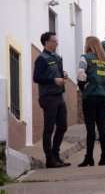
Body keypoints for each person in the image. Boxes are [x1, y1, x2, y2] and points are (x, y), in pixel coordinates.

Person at [77, 36, 105, 167]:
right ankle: (104, 158)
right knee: (102, 128)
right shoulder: (104, 61)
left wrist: (85, 84)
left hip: (90, 96)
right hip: (103, 95)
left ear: (88, 45)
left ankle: (89, 158)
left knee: (90, 129)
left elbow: (80, 73)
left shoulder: (85, 58)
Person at [33, 32, 71, 168]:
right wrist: (54, 80)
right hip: (48, 97)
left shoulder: (57, 57)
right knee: (49, 128)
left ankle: (56, 155)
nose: (57, 43)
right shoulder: (41, 59)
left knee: (62, 126)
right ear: (46, 43)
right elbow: (36, 78)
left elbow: (58, 74)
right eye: (54, 41)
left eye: (56, 41)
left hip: (59, 96)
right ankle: (50, 159)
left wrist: (63, 75)